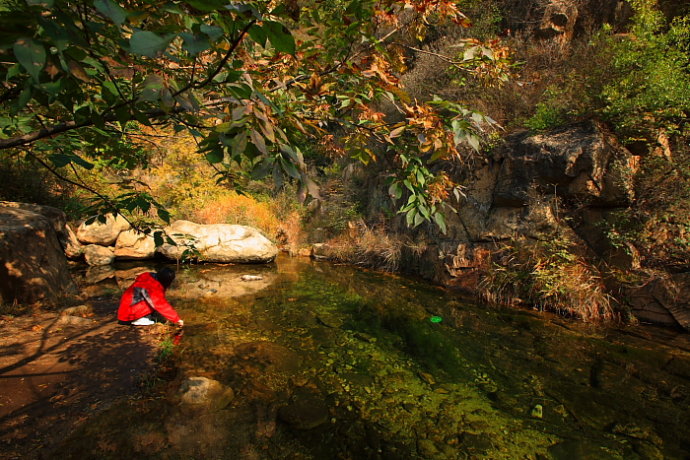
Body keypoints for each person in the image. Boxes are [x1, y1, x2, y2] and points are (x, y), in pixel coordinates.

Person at [117, 267, 184, 327]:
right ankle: (140, 319)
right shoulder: (152, 286)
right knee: (155, 303)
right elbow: (161, 304)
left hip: (126, 306)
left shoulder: (148, 276)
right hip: (129, 314)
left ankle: (142, 317)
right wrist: (177, 319)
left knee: (152, 302)